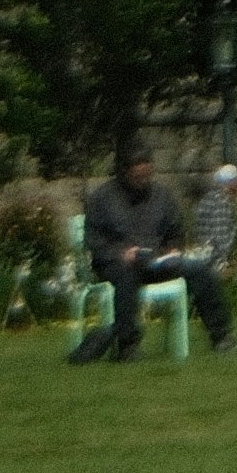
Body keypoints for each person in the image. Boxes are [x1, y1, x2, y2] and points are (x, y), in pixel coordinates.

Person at [70, 152, 166, 361]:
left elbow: (174, 229)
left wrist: (173, 249)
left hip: (153, 261)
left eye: (147, 176)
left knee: (196, 269)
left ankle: (222, 337)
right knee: (127, 276)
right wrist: (120, 253)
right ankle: (127, 346)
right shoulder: (102, 199)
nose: (143, 182)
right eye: (138, 177)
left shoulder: (159, 195)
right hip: (113, 264)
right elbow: (94, 240)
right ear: (125, 173)